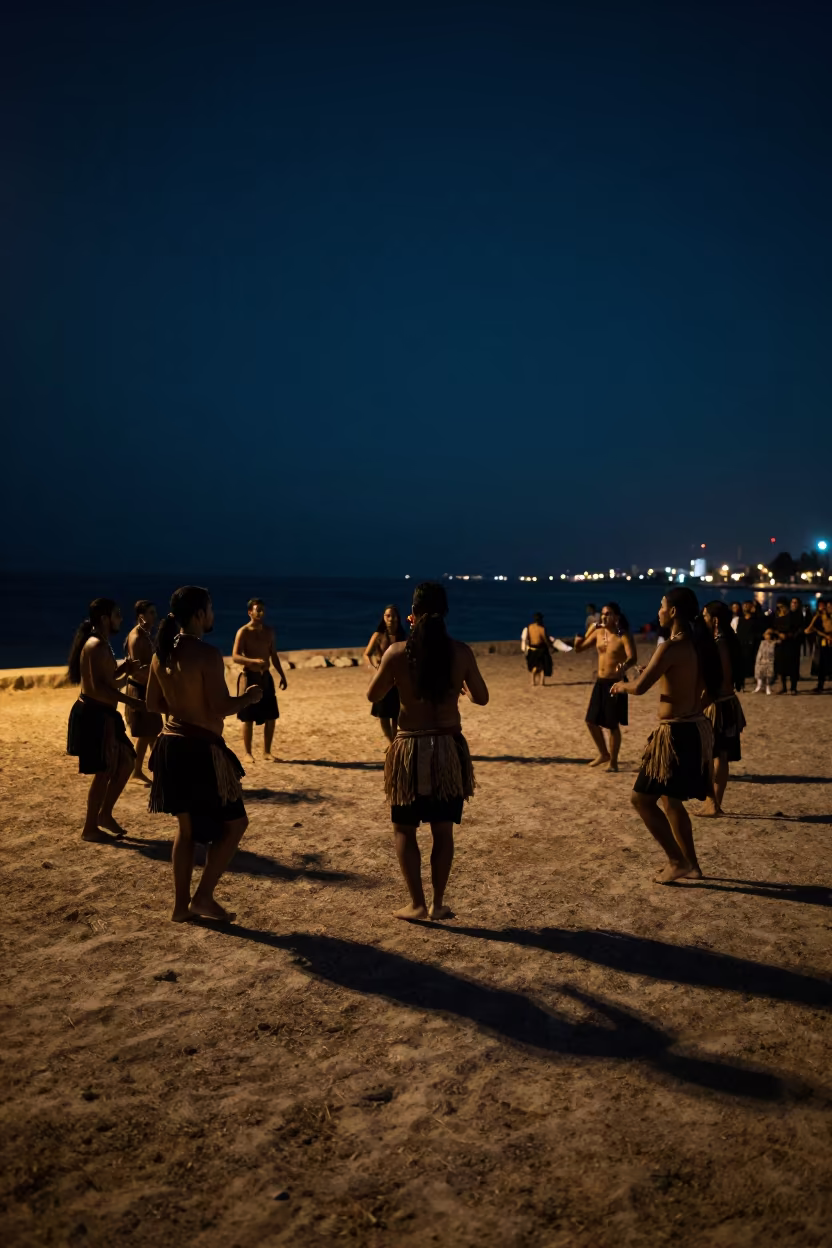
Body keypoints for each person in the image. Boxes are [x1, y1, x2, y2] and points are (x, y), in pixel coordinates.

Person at [367, 582, 489, 922]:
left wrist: (397, 678)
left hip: (408, 749)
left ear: (413, 615)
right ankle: (437, 903)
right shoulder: (460, 652)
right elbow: (482, 697)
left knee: (404, 828)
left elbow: (373, 694)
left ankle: (416, 903)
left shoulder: (397, 653)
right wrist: (461, 683)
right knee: (442, 830)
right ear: (445, 612)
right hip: (447, 748)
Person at [145, 586, 263, 923]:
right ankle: (203, 897)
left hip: (170, 745)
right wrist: (249, 697)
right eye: (210, 609)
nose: (213, 615)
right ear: (199, 614)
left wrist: (184, 709)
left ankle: (181, 907)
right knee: (236, 824)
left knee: (185, 831)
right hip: (200, 751)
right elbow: (220, 706)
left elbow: (153, 704)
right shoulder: (207, 654)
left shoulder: (161, 654)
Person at [610, 588, 722, 883]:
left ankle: (676, 861)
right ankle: (692, 866)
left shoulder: (670, 647)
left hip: (674, 735)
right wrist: (693, 706)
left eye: (661, 605)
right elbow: (709, 685)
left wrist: (621, 686)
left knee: (641, 800)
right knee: (671, 801)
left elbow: (640, 687)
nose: (658, 611)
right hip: (694, 728)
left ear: (672, 611)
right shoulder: (698, 644)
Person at [66, 598, 144, 842]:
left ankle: (104, 814)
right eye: (117, 615)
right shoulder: (95, 645)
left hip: (106, 715)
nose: (120, 619)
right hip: (94, 715)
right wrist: (132, 701)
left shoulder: (103, 644)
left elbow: (109, 682)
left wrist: (124, 672)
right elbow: (100, 689)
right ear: (104, 619)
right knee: (103, 772)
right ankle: (90, 827)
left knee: (126, 762)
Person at [573, 603, 637, 771]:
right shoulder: (598, 633)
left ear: (616, 617)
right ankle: (604, 753)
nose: (604, 617)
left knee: (612, 725)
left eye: (608, 614)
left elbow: (633, 658)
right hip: (600, 682)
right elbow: (579, 649)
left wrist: (624, 666)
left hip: (616, 683)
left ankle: (613, 762)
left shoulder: (623, 635)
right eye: (602, 614)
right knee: (590, 721)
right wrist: (581, 638)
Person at [701, 601, 746, 815]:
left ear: (715, 620)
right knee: (721, 756)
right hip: (727, 703)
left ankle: (713, 803)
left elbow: (724, 678)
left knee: (713, 756)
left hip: (719, 706)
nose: (703, 620)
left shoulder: (721, 644)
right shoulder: (729, 641)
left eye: (705, 616)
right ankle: (715, 803)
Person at [232, 598, 287, 763]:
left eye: (263, 610)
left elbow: (274, 655)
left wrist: (282, 675)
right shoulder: (244, 631)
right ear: (250, 612)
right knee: (247, 717)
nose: (261, 613)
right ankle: (248, 753)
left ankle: (267, 752)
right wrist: (253, 661)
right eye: (258, 610)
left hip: (266, 677)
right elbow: (235, 656)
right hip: (250, 677)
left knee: (271, 715)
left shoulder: (269, 631)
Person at [124, 600, 163, 783]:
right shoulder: (136, 637)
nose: (155, 616)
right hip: (139, 690)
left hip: (148, 688)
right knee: (149, 732)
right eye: (151, 613)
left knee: (150, 732)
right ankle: (159, 772)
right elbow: (136, 670)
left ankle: (138, 770)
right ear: (141, 616)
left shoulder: (147, 634)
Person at [364, 605, 406, 742]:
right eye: (388, 616)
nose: (391, 619)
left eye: (394, 616)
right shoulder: (378, 636)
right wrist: (374, 667)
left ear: (398, 618)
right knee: (383, 714)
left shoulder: (403, 636)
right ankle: (390, 742)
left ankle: (395, 741)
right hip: (382, 679)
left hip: (398, 680)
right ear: (383, 618)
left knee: (396, 714)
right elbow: (367, 654)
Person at [774, 598, 801, 695]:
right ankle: (783, 687)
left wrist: (790, 635)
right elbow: (773, 628)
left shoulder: (793, 616)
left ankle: (793, 688)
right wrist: (777, 634)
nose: (781, 609)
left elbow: (799, 629)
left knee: (793, 666)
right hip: (780, 643)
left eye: (782, 607)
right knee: (781, 666)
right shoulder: (776, 616)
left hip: (792, 644)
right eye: (779, 607)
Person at [806, 599, 832, 692]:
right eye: (828, 606)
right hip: (824, 643)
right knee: (822, 664)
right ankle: (820, 685)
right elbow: (808, 630)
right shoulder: (819, 617)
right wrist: (816, 616)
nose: (828, 608)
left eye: (830, 606)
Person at [521, 613, 554, 686]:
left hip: (532, 649)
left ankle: (534, 681)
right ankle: (541, 682)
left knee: (535, 666)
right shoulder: (542, 629)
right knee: (542, 666)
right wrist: (551, 646)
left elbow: (528, 638)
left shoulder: (530, 627)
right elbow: (545, 640)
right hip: (540, 649)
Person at [754, 629, 778, 694]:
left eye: (768, 635)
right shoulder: (762, 643)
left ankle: (768, 686)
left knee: (769, 671)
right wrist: (758, 660)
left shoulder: (774, 643)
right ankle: (759, 686)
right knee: (759, 670)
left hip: (770, 660)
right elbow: (760, 652)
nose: (766, 636)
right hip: (762, 660)